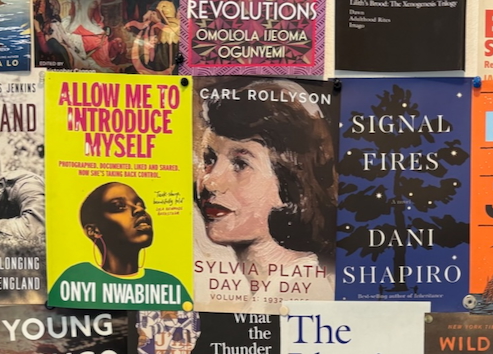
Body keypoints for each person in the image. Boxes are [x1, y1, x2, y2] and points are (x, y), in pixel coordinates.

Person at [195, 80, 336, 304]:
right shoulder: (250, 293)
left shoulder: (296, 293)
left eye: (240, 164)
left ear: (289, 182)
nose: (210, 182)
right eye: (209, 159)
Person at [46, 182, 189, 308]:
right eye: (118, 206)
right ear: (94, 231)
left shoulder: (168, 285)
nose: (139, 210)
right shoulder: (75, 278)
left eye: (141, 205)